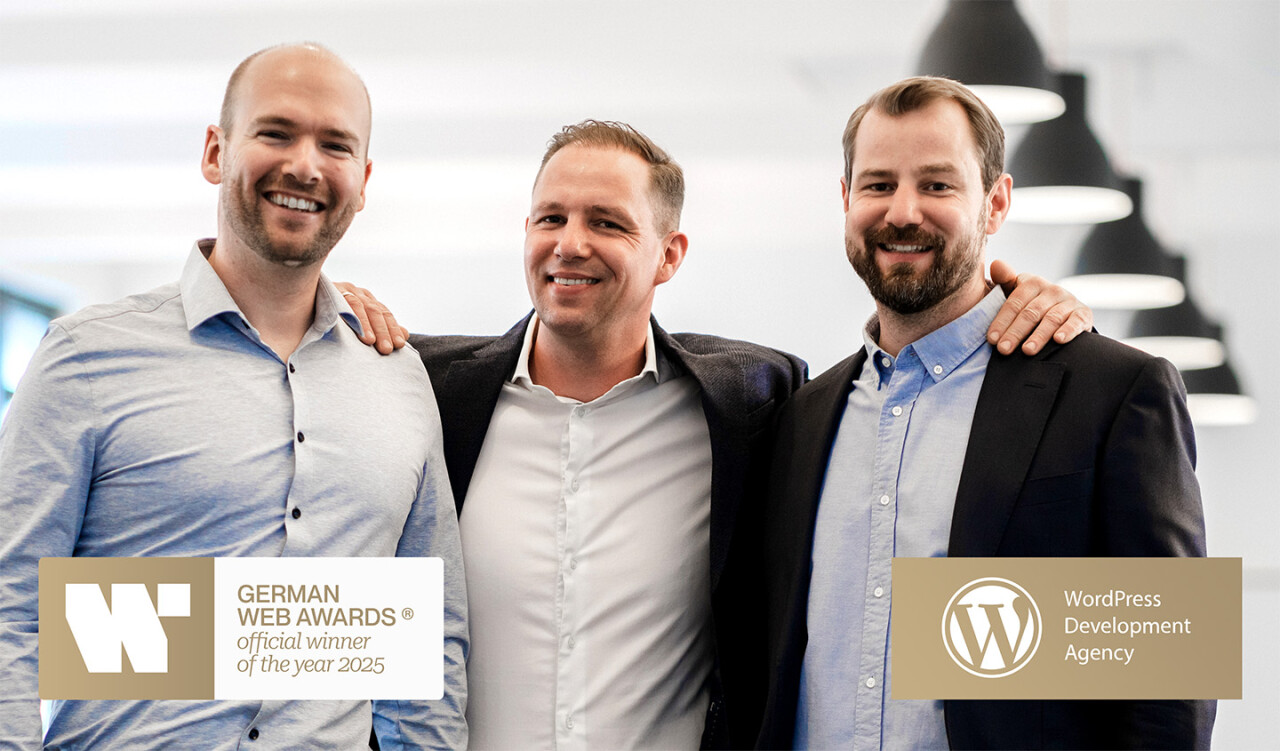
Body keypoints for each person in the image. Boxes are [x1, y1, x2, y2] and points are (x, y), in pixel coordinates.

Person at [339, 119, 1092, 749]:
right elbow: (320, 596)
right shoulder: (424, 388)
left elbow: (1142, 646)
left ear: (669, 255)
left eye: (607, 222)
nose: (570, 243)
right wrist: (309, 305)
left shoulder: (755, 401)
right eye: (551, 218)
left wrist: (1008, 309)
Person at [0, 43, 467, 749]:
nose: (305, 165)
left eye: (335, 145)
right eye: (276, 132)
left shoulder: (396, 378)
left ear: (363, 180)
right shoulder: (85, 357)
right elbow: (13, 606)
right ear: (216, 152)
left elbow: (427, 645)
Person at [757, 77, 1213, 750]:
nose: (903, 211)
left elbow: (1170, 678)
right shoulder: (799, 417)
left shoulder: (1112, 392)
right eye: (879, 184)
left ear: (995, 203)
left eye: (937, 184)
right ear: (846, 199)